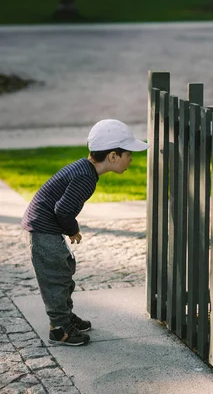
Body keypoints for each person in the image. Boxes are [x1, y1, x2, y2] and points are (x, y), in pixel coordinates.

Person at [21, 119, 149, 346]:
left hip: (46, 228)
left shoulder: (84, 169)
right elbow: (63, 209)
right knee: (56, 278)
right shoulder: (86, 177)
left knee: (64, 270)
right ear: (112, 156)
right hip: (43, 229)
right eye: (128, 154)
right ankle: (59, 329)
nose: (131, 159)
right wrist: (73, 230)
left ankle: (66, 317)